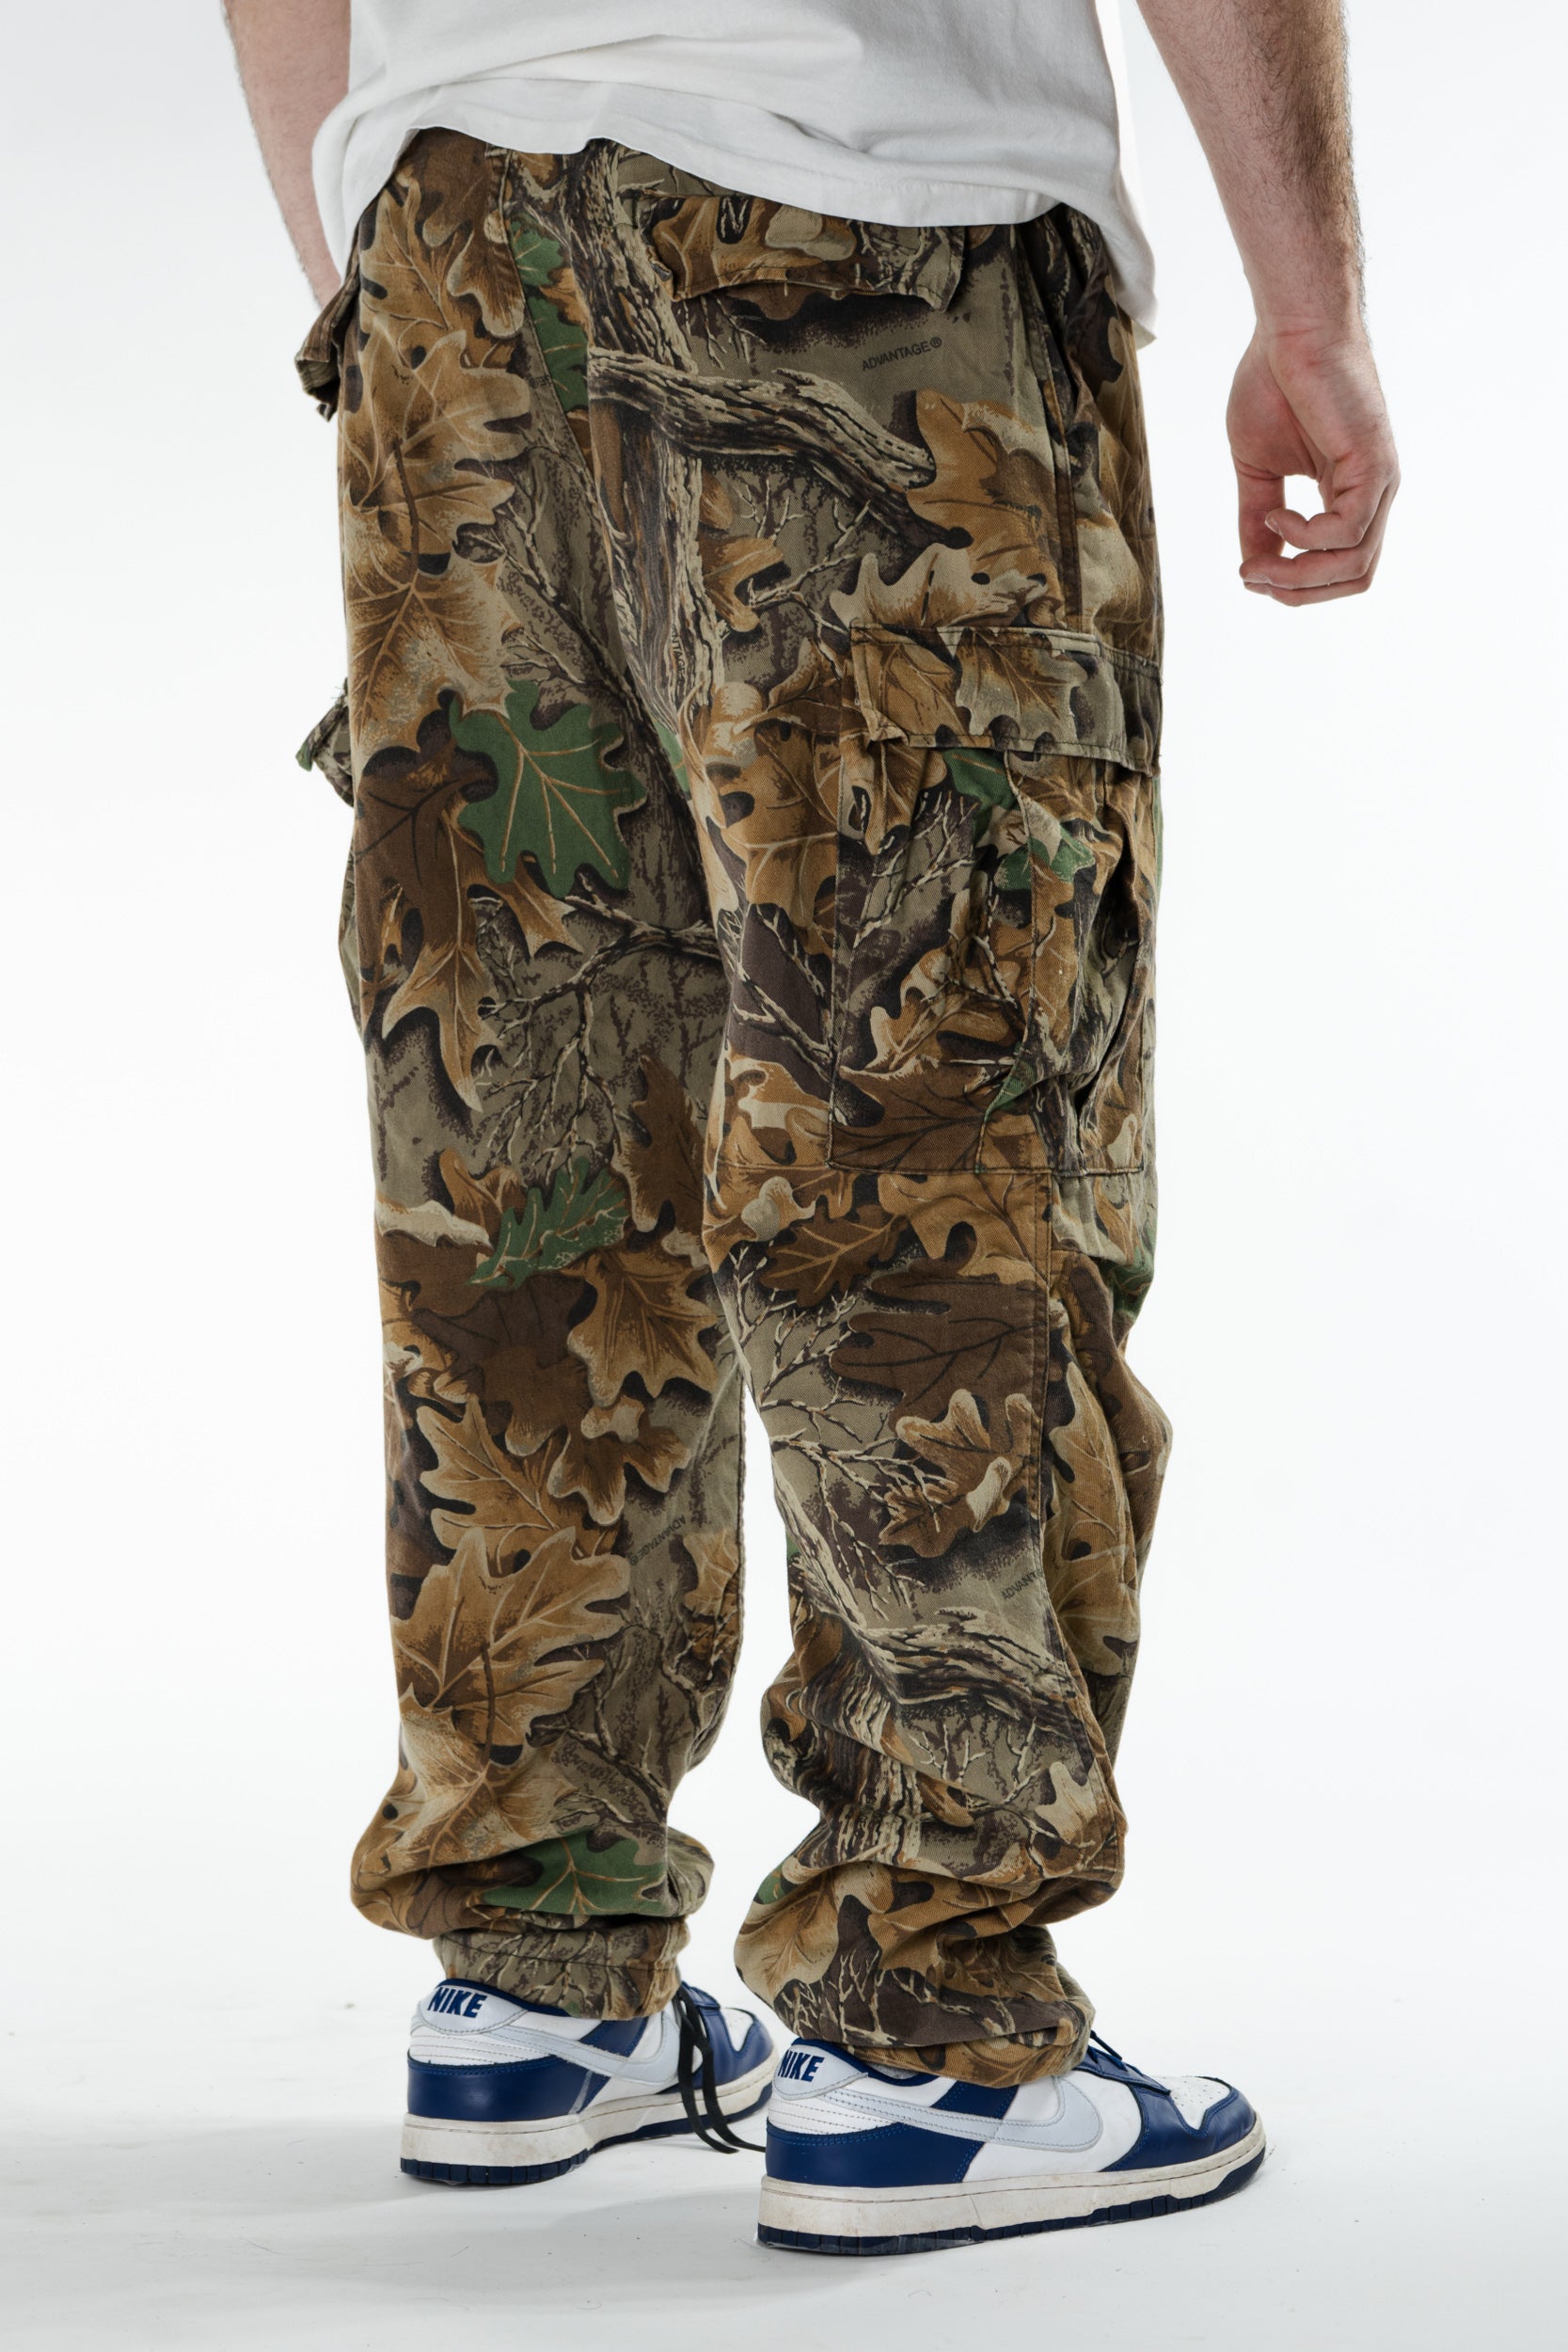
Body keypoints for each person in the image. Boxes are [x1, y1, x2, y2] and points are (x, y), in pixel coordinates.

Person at [226, 0, 1397, 2255]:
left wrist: (385, 266)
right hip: (859, 233)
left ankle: (537, 1966)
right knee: (922, 1127)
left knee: (527, 1152)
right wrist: (1313, 309)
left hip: (451, 263)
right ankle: (930, 2017)